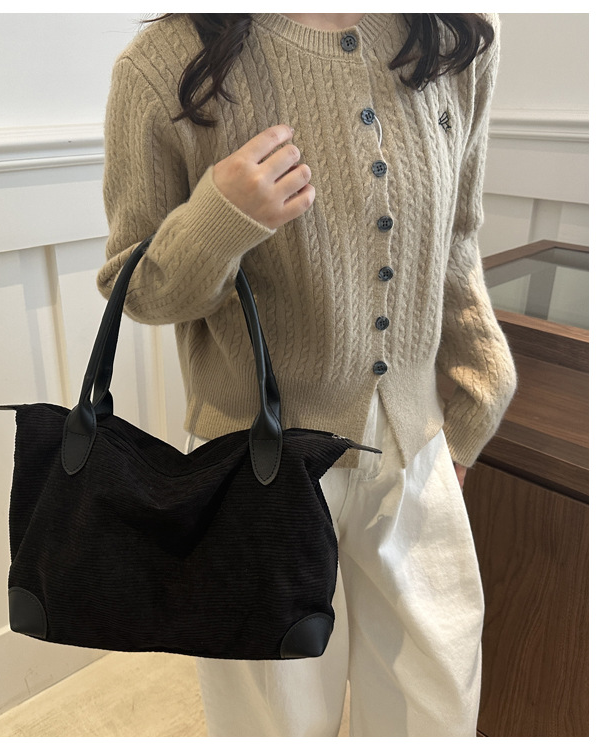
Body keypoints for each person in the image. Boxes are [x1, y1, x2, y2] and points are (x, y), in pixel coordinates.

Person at [97, 12, 518, 737]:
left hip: (416, 451)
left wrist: (483, 381)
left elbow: (458, 230)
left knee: (438, 708)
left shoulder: (457, 33)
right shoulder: (166, 64)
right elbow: (136, 289)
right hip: (254, 473)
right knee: (274, 725)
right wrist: (221, 217)